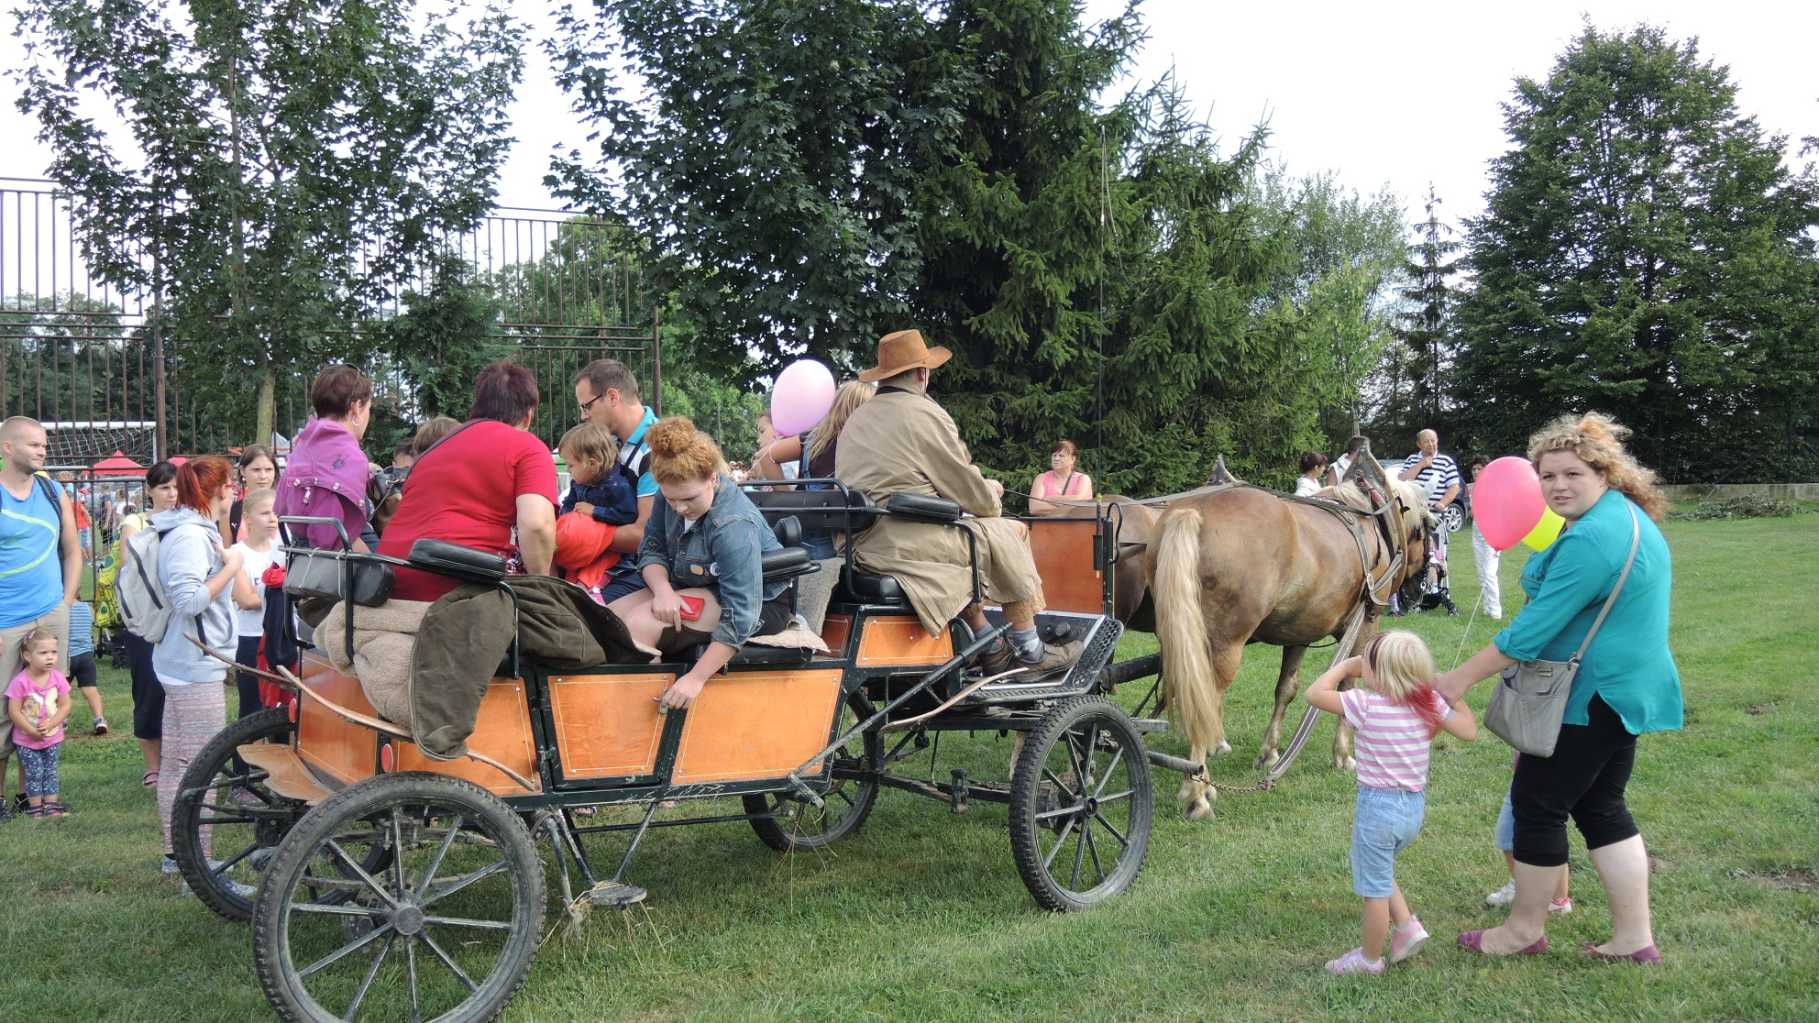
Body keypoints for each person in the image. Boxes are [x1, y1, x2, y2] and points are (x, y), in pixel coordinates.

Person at [1436, 412, 1680, 963]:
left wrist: (1456, 679)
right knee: (1602, 807)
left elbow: (1530, 632)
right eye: (1547, 476)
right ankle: (1633, 939)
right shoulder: (1626, 518)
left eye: (1572, 474)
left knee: (1537, 805)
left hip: (1590, 696)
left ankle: (1523, 930)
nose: (1558, 486)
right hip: (1627, 690)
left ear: (1604, 474)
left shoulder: (1594, 537)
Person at [835, 329, 1078, 675]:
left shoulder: (857, 417)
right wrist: (990, 493)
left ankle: (989, 644)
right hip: (907, 542)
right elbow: (970, 492)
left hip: (861, 546)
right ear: (922, 373)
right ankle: (1031, 651)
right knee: (1012, 532)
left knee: (975, 542)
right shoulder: (922, 413)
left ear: (885, 376)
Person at [1303, 631, 1477, 974]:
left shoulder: (1364, 704)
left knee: (1374, 890)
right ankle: (1407, 925)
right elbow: (1469, 730)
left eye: (1365, 660)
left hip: (1378, 809)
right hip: (1412, 810)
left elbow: (1314, 694)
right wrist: (1451, 695)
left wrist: (1343, 667)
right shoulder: (1426, 703)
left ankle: (1369, 959)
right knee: (1379, 868)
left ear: (1379, 674)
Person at [610, 417, 788, 710]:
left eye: (688, 498)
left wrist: (695, 678)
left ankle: (649, 725)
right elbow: (651, 550)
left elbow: (742, 614)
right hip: (697, 585)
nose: (679, 508)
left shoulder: (732, 524)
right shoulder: (666, 494)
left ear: (713, 478)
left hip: (761, 603)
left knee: (640, 625)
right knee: (609, 620)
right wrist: (663, 591)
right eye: (670, 500)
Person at [378, 361, 558, 602]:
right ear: (528, 416)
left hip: (390, 578)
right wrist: (542, 589)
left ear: (476, 407)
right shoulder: (528, 447)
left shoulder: (432, 451)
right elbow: (537, 525)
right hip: (457, 584)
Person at [150, 455, 243, 883]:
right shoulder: (189, 535)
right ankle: (201, 870)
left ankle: (177, 856)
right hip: (193, 661)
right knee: (201, 768)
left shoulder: (187, 529)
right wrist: (231, 568)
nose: (236, 490)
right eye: (233, 483)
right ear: (219, 490)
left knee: (176, 763)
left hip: (181, 658)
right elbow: (189, 601)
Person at [0, 417, 80, 824]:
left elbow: (72, 550)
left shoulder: (53, 491)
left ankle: (27, 796)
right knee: (2, 711)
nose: (42, 450)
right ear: (7, 448)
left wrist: (63, 604)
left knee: (41, 701)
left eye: (44, 444)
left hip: (50, 613)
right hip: (5, 620)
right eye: (33, 444)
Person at [573, 359, 660, 603]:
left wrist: (576, 535)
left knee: (576, 609)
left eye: (587, 406)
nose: (583, 416)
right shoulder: (617, 446)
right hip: (628, 564)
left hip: (655, 570)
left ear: (612, 396)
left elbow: (645, 536)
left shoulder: (654, 448)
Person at [115, 461, 179, 787]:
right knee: (149, 690)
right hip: (144, 620)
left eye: (176, 487)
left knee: (179, 691)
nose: (171, 494)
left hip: (178, 619)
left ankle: (177, 761)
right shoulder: (135, 522)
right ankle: (152, 765)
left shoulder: (187, 522)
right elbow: (131, 563)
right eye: (165, 487)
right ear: (150, 490)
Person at [275, 365, 375, 552]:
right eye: (369, 408)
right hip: (335, 568)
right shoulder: (351, 457)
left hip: (300, 559)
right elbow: (330, 536)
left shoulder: (302, 446)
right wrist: (377, 565)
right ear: (356, 407)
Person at [552, 422, 636, 603]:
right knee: (572, 570)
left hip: (609, 548)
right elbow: (568, 504)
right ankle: (571, 590)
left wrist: (595, 512)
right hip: (584, 542)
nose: (567, 470)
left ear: (592, 463)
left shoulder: (617, 486)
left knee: (595, 570)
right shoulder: (580, 482)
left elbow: (628, 515)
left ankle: (591, 593)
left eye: (571, 465)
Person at [1486, 754, 1572, 913]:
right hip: (1530, 766)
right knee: (1508, 837)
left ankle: (1556, 899)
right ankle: (1523, 887)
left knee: (1545, 830)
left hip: (1547, 767)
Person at [228, 489, 284, 722]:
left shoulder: (282, 551)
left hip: (280, 637)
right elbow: (246, 600)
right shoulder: (236, 553)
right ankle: (244, 758)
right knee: (252, 709)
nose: (272, 519)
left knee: (282, 709)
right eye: (264, 513)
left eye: (276, 513)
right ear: (247, 517)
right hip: (250, 638)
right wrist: (279, 593)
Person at [5, 627, 72, 817]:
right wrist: (30, 730)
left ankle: (51, 805)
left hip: (53, 738)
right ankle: (35, 807)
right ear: (27, 655)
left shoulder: (57, 678)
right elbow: (14, 711)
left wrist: (52, 724)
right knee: (34, 773)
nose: (50, 657)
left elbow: (65, 705)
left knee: (51, 770)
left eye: (53, 652)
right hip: (27, 740)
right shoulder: (20, 682)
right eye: (43, 653)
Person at [1467, 457, 1503, 618]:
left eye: (1479, 468)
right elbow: (1473, 512)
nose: (1476, 472)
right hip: (1477, 528)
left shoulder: (1495, 487)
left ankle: (1496, 611)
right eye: (1474, 469)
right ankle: (1488, 607)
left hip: (1492, 530)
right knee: (1481, 572)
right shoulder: (1472, 487)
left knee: (1489, 572)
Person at [65, 598, 106, 735]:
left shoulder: (60, 608)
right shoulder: (86, 607)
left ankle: (61, 720)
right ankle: (99, 719)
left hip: (67, 656)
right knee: (91, 690)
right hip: (86, 656)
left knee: (61, 691)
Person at [1397, 429, 1461, 515]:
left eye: (1433, 440)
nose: (1430, 444)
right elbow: (1401, 480)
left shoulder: (1446, 461)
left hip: (1436, 515)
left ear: (1437, 441)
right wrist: (1420, 465)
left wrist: (1442, 503)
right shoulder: (1411, 459)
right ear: (1419, 444)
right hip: (1414, 514)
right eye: (1426, 441)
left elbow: (1454, 487)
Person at [224, 445, 278, 542]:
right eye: (256, 470)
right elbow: (227, 552)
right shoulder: (230, 511)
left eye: (268, 470)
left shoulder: (286, 508)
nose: (263, 476)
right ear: (243, 471)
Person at [1028, 439, 1094, 515]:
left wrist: (1049, 499)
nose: (1056, 458)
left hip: (1077, 526)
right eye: (1054, 455)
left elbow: (1079, 501)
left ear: (1073, 459)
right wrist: (1068, 506)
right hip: (1047, 526)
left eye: (1061, 456)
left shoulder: (1082, 479)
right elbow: (1035, 508)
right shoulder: (1041, 478)